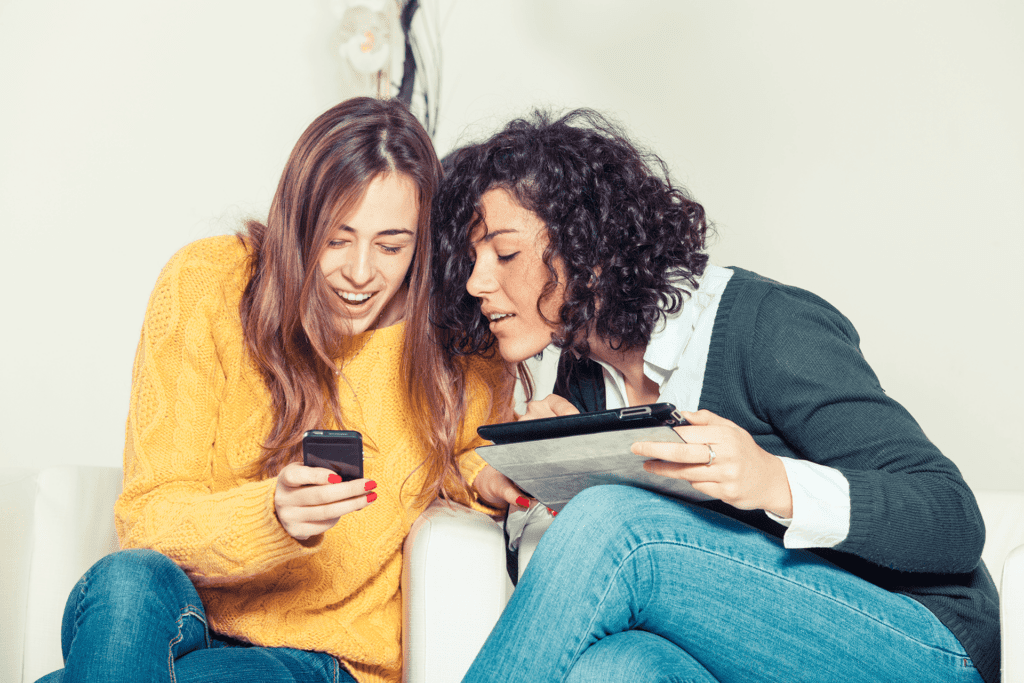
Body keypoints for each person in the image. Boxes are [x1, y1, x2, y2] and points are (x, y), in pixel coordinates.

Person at [431, 109, 1000, 683]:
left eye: (504, 254)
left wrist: (772, 481)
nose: (478, 282)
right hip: (756, 648)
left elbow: (953, 519)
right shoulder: (584, 376)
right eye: (474, 258)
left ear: (592, 253)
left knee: (615, 523)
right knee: (612, 670)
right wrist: (555, 471)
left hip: (922, 645)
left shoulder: (767, 327)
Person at [37, 97, 515, 683]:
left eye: (391, 246)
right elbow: (147, 518)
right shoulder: (208, 284)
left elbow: (469, 455)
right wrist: (274, 515)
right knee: (125, 578)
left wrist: (500, 473)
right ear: (297, 224)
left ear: (422, 244)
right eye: (336, 240)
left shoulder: (455, 344)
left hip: (316, 659)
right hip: (179, 620)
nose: (360, 273)